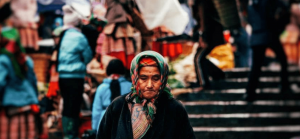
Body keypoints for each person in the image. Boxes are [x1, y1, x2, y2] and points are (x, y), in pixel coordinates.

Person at [96, 51, 195, 139]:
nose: (149, 85)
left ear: (163, 79)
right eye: (143, 78)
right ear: (135, 78)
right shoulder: (118, 106)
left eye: (156, 78)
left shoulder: (174, 109)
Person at [0, 2, 43, 138]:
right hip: (29, 110)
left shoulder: (3, 61)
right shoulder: (27, 60)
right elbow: (33, 84)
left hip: (11, 114)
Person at [244, 0, 291, 101]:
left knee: (256, 67)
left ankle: (249, 92)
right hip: (268, 34)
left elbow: (249, 19)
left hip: (256, 36)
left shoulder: (251, 3)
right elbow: (277, 12)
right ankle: (284, 85)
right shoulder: (266, 2)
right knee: (282, 59)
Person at [57, 4, 93, 139]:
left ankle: (67, 134)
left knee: (67, 105)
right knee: (74, 106)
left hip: (63, 77)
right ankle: (71, 135)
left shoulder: (63, 35)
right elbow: (88, 56)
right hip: (75, 77)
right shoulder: (80, 37)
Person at [92, 59, 132, 130]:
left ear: (108, 71)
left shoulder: (101, 88)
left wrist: (95, 128)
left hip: (104, 121)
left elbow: (96, 110)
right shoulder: (130, 86)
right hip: (125, 121)